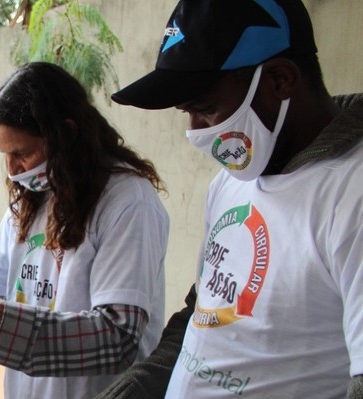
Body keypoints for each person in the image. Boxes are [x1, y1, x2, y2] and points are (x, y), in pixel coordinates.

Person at [95, 0, 363, 398]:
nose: (194, 131)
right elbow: (202, 315)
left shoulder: (350, 193)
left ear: (280, 80)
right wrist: (133, 388)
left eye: (205, 109)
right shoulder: (232, 181)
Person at [0, 62, 168, 399]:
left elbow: (117, 336)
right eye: (5, 155)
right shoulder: (30, 201)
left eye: (22, 153)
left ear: (67, 133)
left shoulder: (127, 201)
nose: (12, 169)